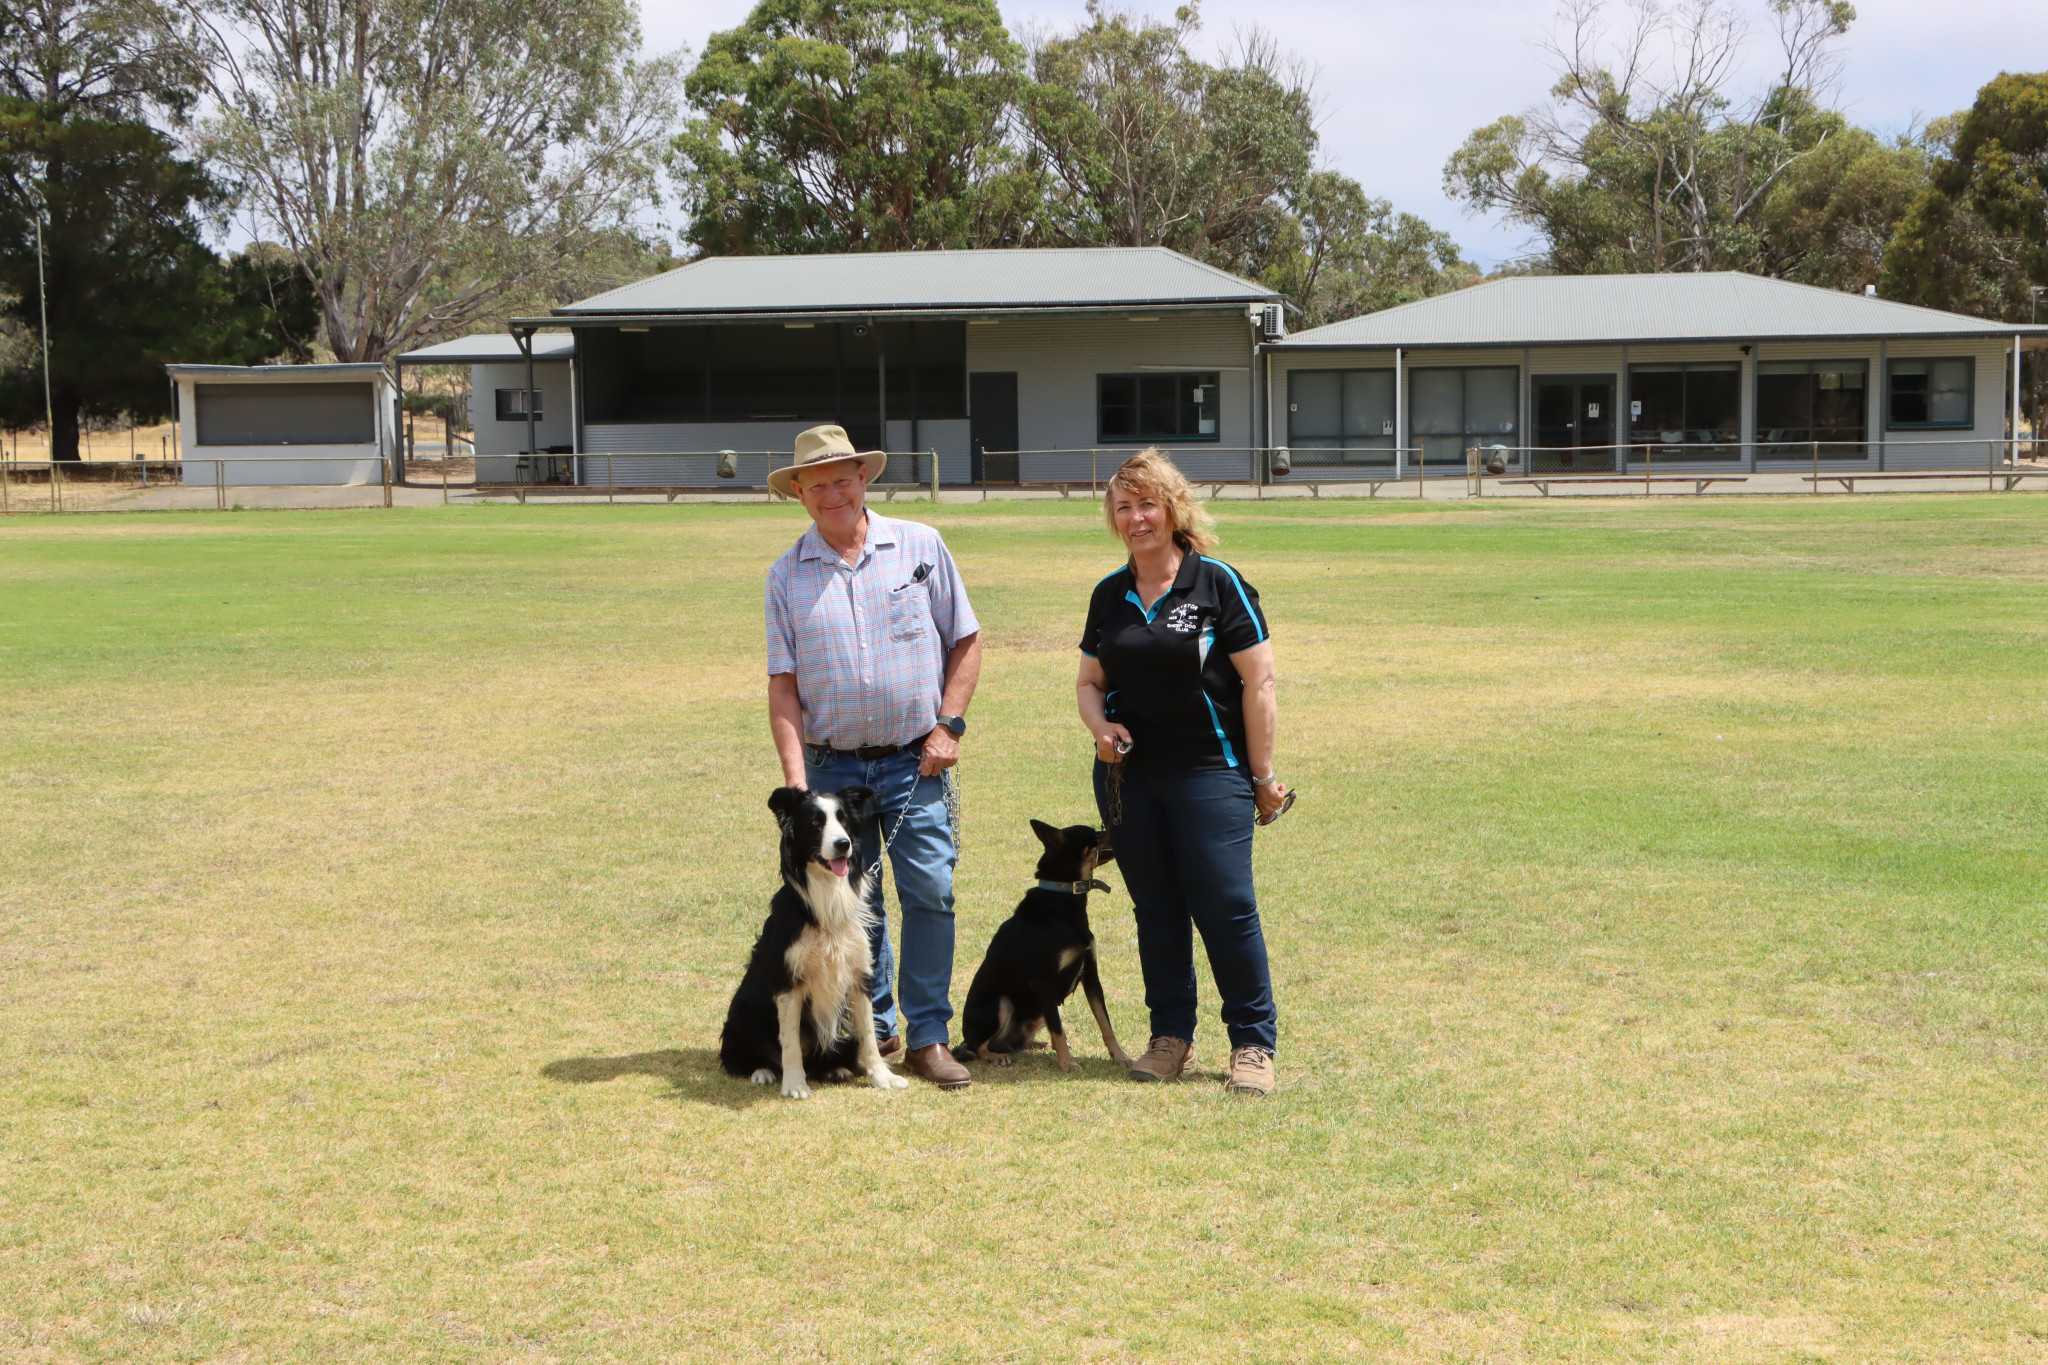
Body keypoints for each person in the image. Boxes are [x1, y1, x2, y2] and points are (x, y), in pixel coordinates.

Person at [765, 425, 982, 1090]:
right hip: (831, 769)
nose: (832, 492)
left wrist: (948, 726)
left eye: (842, 478)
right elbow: (784, 685)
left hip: (915, 760)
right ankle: (876, 1030)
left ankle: (929, 1035)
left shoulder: (920, 546)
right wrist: (799, 786)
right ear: (799, 493)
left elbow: (966, 640)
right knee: (855, 904)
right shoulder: (785, 575)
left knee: (930, 889)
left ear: (865, 479)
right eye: (816, 483)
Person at [1075, 449, 1288, 1097]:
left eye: (1147, 503)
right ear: (1113, 520)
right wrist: (1099, 728)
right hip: (1129, 778)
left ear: (1172, 510)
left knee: (1224, 907)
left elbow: (1260, 681)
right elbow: (1089, 681)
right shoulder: (1109, 595)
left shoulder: (1217, 582)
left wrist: (1261, 775)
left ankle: (1252, 1042)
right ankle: (1170, 1036)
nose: (1136, 517)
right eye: (1123, 507)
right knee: (1157, 910)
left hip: (1210, 772)